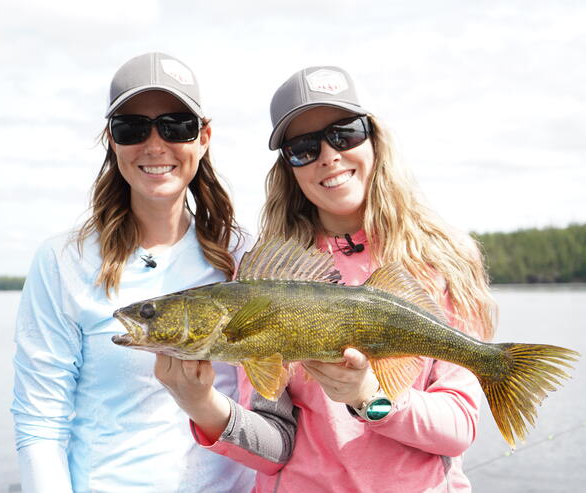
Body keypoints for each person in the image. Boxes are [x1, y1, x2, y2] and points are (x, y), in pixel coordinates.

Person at [154, 65, 497, 492]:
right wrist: (200, 404)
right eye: (303, 147)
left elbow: (458, 428)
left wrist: (369, 396)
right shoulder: (262, 278)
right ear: (289, 167)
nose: (329, 155)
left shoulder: (442, 260)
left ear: (374, 139)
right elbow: (272, 449)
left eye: (345, 133)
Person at [11, 52, 255, 493]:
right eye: (132, 128)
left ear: (204, 137)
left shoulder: (245, 255)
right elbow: (40, 424)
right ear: (112, 141)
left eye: (176, 125)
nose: (155, 145)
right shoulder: (61, 261)